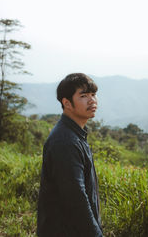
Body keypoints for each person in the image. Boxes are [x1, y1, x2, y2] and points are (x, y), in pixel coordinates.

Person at [37, 73, 103, 237]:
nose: (92, 100)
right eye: (83, 96)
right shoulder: (65, 141)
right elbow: (76, 198)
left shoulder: (75, 134)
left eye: (93, 94)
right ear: (67, 103)